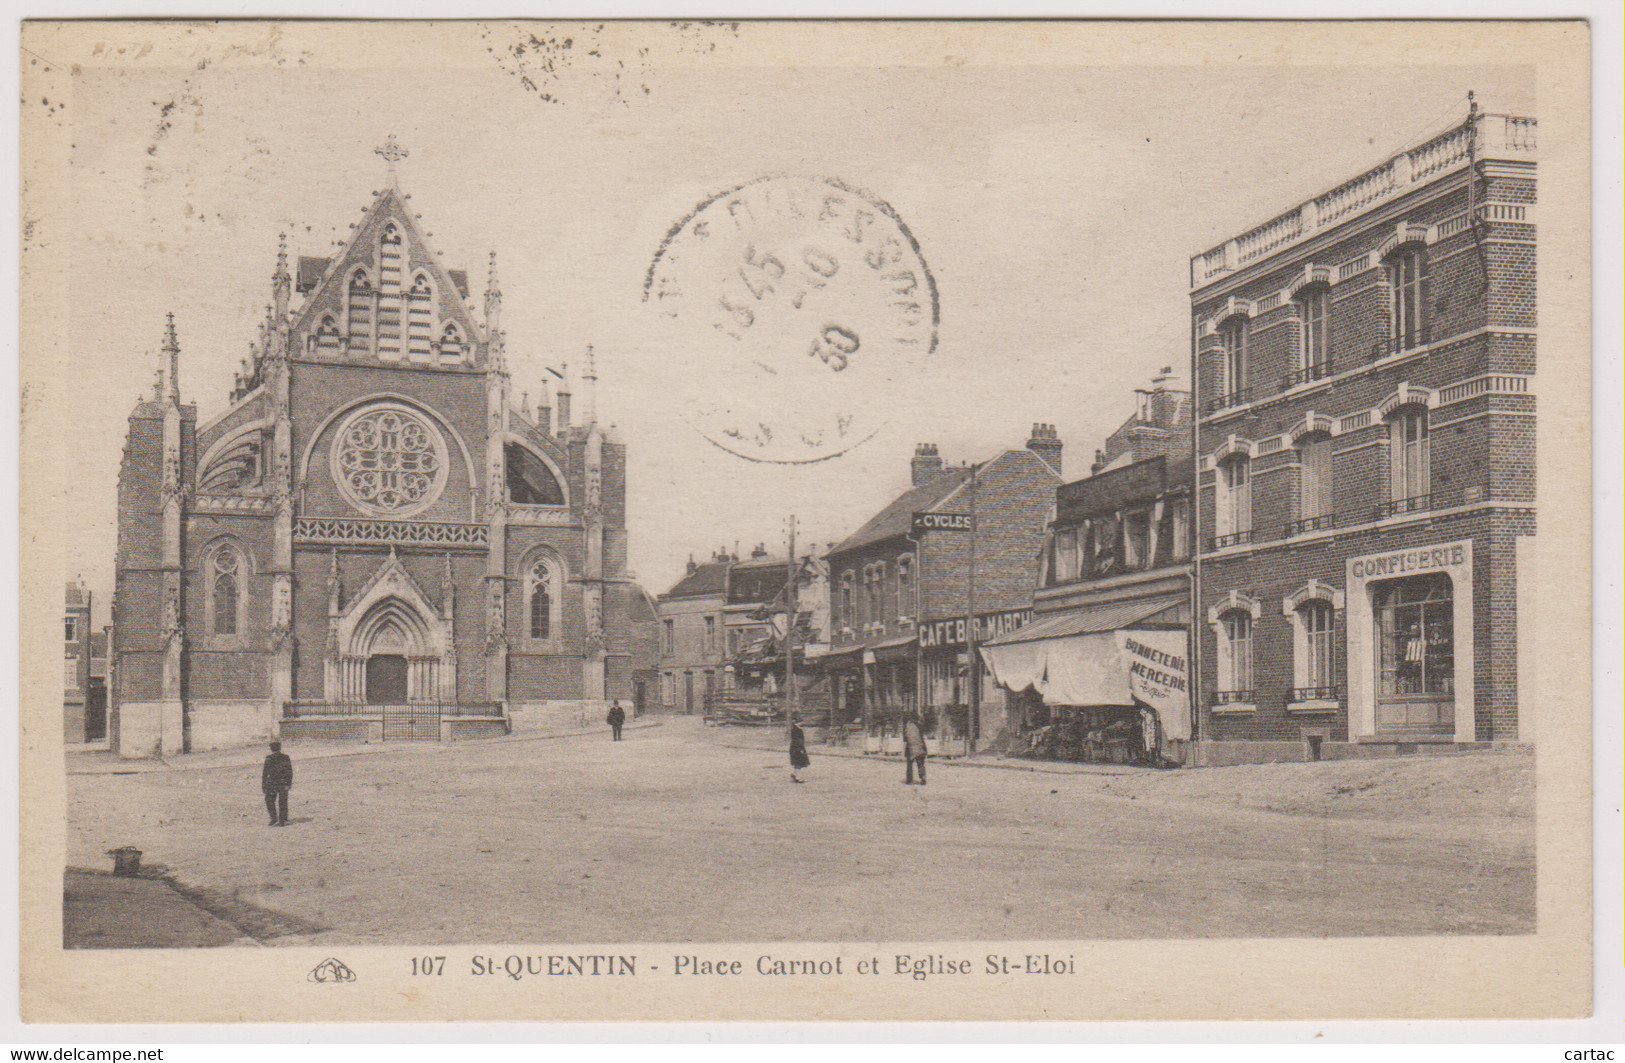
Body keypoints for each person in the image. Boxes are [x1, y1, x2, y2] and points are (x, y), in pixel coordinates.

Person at [262, 741, 293, 826]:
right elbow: (289, 771)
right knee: (283, 801)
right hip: (283, 782)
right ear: (280, 748)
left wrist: (264, 786)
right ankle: (282, 820)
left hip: (272, 783)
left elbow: (265, 773)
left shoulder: (269, 758)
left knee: (269, 801)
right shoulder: (285, 757)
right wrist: (288, 783)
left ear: (271, 749)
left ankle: (274, 818)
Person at [902, 710, 927, 786]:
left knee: (909, 764)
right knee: (921, 764)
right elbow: (922, 735)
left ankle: (909, 779)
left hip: (910, 748)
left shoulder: (907, 726)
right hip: (920, 746)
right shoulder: (919, 726)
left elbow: (905, 738)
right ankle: (923, 777)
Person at [788, 717, 809, 784]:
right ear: (798, 723)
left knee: (797, 763)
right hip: (797, 748)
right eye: (801, 722)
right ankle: (798, 778)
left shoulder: (796, 729)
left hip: (795, 748)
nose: (802, 723)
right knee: (799, 763)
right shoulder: (796, 730)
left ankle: (794, 774)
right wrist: (800, 749)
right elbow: (797, 741)